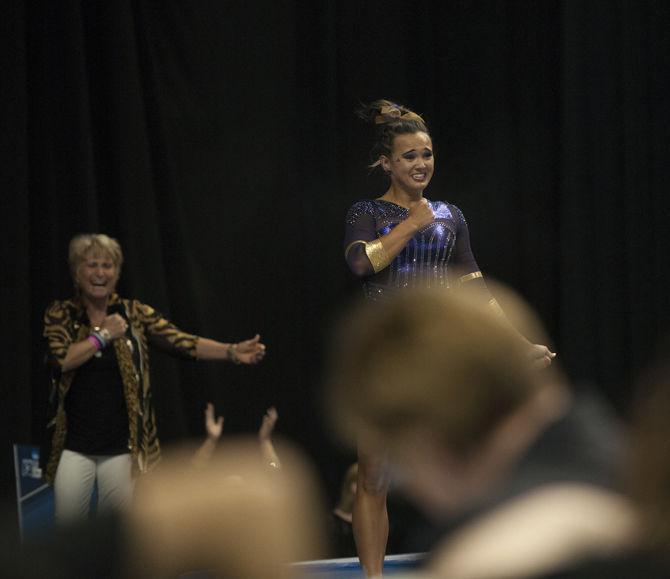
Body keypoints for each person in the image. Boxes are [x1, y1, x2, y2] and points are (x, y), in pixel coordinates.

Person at [343, 99, 554, 576]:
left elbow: (475, 285)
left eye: (427, 154)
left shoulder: (450, 215)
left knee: (463, 465)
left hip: (441, 353)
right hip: (389, 351)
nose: (421, 165)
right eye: (409, 156)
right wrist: (409, 226)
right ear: (386, 163)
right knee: (374, 475)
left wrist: (516, 343)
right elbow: (359, 264)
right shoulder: (367, 212)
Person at [326, 284, 636, 579]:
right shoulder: (632, 467)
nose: (416, 495)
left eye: (405, 468)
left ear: (427, 439)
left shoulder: (488, 559)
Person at [42, 233, 266, 523]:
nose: (100, 273)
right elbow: (60, 361)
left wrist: (232, 351)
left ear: (117, 272)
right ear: (76, 271)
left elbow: (183, 342)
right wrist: (104, 336)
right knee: (68, 532)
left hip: (121, 449)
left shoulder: (134, 313)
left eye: (108, 266)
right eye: (92, 265)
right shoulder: (62, 314)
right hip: (74, 447)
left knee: (119, 536)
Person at [193, 402, 281, 470]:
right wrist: (211, 441)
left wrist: (265, 442)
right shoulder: (214, 483)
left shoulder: (256, 478)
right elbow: (195, 471)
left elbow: (275, 469)